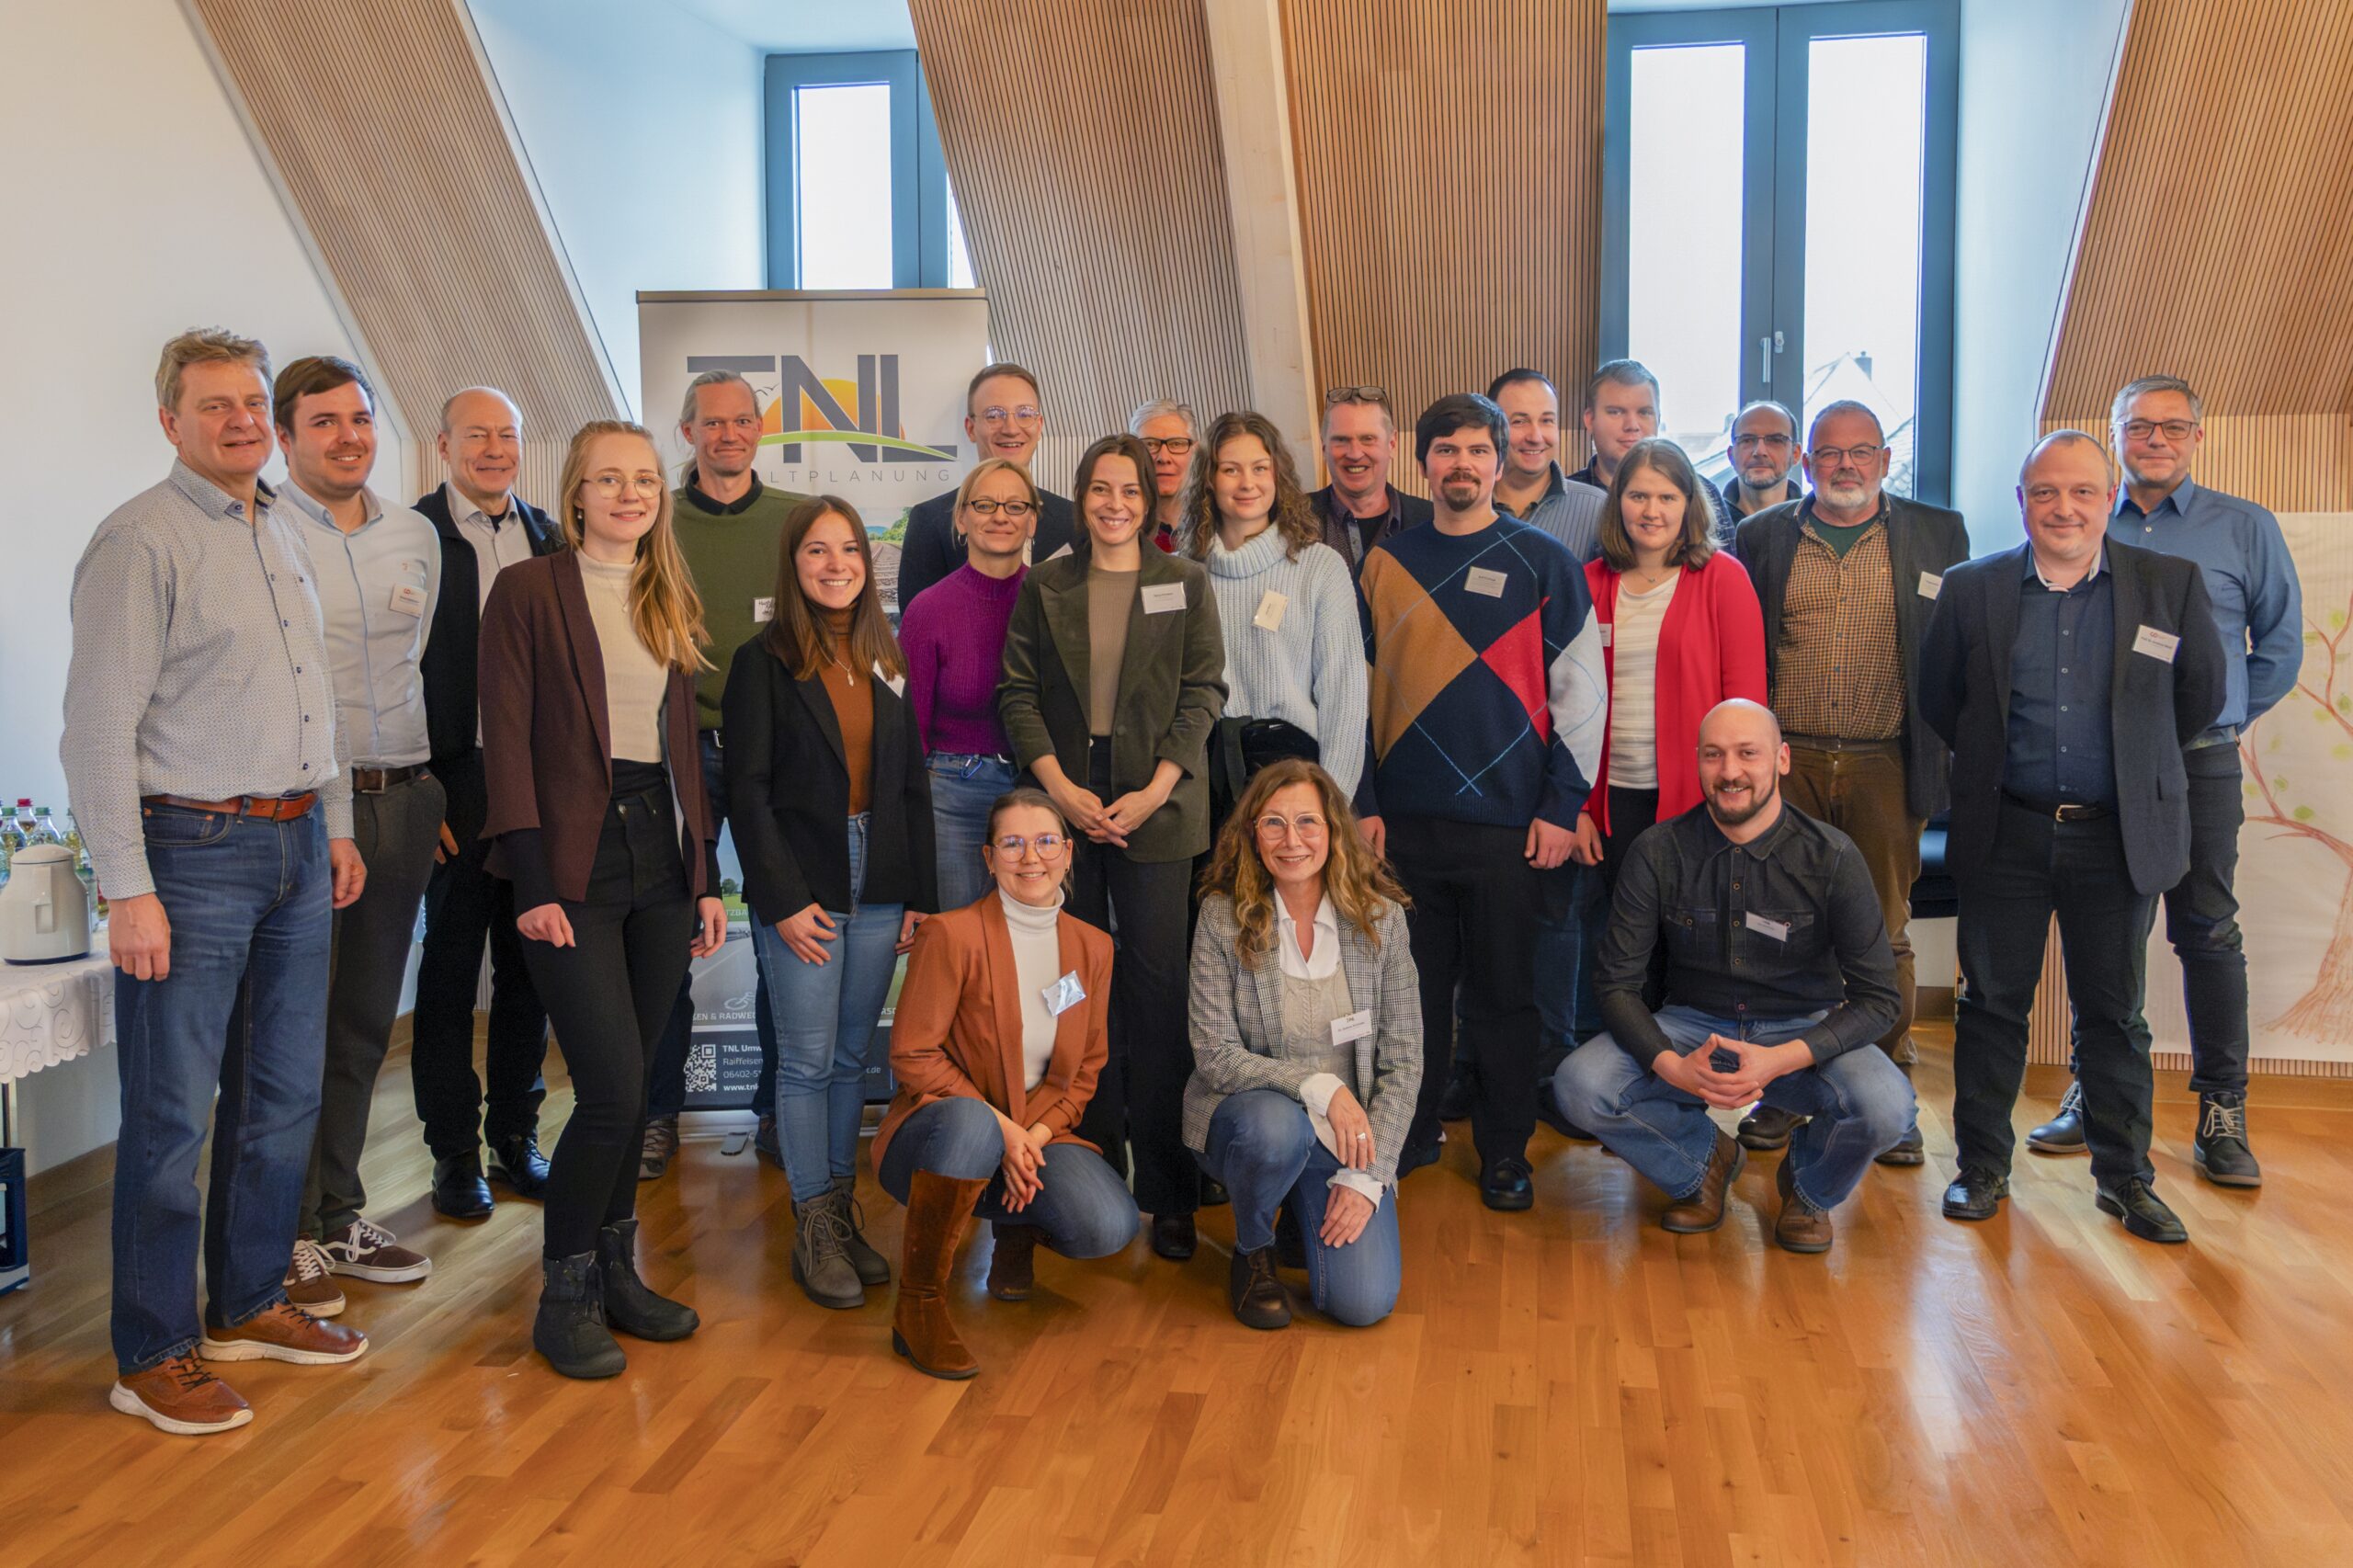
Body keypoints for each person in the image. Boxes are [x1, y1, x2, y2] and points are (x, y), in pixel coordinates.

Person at [67, 328, 369, 1435]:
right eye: (215, 405)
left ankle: (245, 1300)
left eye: (251, 402)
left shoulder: (281, 526)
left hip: (295, 843)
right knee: (170, 1116)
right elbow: (96, 728)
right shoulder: (138, 540)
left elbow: (313, 693)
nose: (241, 420)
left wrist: (335, 824)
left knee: (282, 1095)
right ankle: (151, 1351)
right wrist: (127, 888)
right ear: (171, 421)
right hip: (189, 852)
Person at [1921, 432, 2226, 1244]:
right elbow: (1941, 699)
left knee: (2114, 1015)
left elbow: (2195, 699)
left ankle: (2125, 1179)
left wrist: (2131, 760)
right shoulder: (1972, 588)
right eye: (2046, 492)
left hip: (2116, 838)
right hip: (2006, 832)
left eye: (2083, 491)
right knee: (1991, 1006)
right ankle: (1981, 1168)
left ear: (2109, 497)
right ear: (2022, 501)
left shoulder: (2169, 585)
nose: (2064, 508)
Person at [478, 419, 728, 1376]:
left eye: (646, 480)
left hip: (659, 853)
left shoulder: (667, 590)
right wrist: (531, 880)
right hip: (568, 860)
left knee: (641, 1074)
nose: (630, 495)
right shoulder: (529, 589)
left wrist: (703, 874)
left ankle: (618, 1274)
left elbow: (682, 749)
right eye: (610, 479)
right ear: (575, 492)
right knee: (614, 1091)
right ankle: (564, 1295)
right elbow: (505, 739)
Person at [2029, 375, 2302, 1186]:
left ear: (2198, 437)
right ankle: (2096, 1090)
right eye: (2139, 426)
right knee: (2107, 934)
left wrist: (2217, 719)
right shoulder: (2081, 518)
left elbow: (2279, 648)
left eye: (2173, 427)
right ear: (2115, 435)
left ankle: (2222, 1110)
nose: (2155, 440)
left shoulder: (2244, 528)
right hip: (2105, 765)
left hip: (2200, 761)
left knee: (2207, 930)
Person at [1356, 393, 1605, 1211]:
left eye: (1475, 451)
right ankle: (1414, 1132)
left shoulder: (1545, 562)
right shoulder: (1385, 564)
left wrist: (1562, 808)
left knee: (1505, 1000)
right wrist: (1362, 800)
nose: (1460, 464)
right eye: (1445, 450)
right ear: (1421, 462)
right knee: (1413, 1001)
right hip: (1403, 828)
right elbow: (1353, 689)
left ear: (1501, 463)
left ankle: (1505, 1151)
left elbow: (1583, 696)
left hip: (1511, 827)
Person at [1554, 701, 1913, 1254]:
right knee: (1580, 1086)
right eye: (1714, 755)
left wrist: (1783, 1058)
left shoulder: (1834, 857)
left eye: (1748, 753)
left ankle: (1808, 1190)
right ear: (1697, 761)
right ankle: (1704, 1162)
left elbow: (1879, 1000)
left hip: (1801, 1034)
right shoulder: (1657, 851)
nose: (1730, 771)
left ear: (1782, 759)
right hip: (1692, 1028)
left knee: (1889, 1107)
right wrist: (1671, 1065)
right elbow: (1616, 984)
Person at [1000, 433, 1228, 1261]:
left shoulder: (1185, 582)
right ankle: (1084, 1177)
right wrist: (1059, 794)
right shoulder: (1046, 584)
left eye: (1130, 490)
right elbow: (1017, 694)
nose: (1115, 504)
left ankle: (1169, 1190)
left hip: (1157, 810)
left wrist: (1158, 788)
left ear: (1150, 499)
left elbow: (1204, 693)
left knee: (1159, 998)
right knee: (1072, 999)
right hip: (1065, 811)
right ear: (1081, 496)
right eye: (1101, 489)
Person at [1732, 400, 1969, 1167]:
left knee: (1884, 935)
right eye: (1829, 454)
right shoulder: (1762, 537)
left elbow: (1957, 651)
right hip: (1789, 763)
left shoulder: (1939, 533)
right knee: (1777, 928)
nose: (1845, 466)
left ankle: (1887, 1094)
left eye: (1861, 452)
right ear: (1807, 464)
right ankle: (1782, 1091)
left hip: (1886, 764)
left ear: (1885, 460)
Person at [725, 495, 936, 1307]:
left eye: (848, 549)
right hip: (803, 882)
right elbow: (747, 793)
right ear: (793, 563)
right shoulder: (762, 662)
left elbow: (910, 782)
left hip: (880, 877)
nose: (836, 564)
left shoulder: (886, 656)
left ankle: (841, 1213)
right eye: (817, 550)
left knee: (853, 1059)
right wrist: (778, 901)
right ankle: (811, 1221)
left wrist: (918, 892)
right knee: (808, 1061)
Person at [275, 356, 444, 1316]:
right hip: (305, 810)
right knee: (293, 1028)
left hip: (403, 798)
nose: (349, 437)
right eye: (325, 421)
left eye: (361, 419)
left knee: (365, 1023)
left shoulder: (414, 535)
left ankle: (337, 1212)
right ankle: (283, 1230)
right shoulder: (264, 530)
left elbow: (417, 661)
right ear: (286, 435)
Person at [874, 788, 1138, 1379]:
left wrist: (1033, 1139)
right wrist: (1004, 1132)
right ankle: (919, 1306)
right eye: (1012, 843)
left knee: (1107, 1225)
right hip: (941, 1139)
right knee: (971, 1123)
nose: (1031, 857)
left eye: (1045, 842)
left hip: (1035, 1133)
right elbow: (913, 1054)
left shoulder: (1093, 947)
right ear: (989, 859)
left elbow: (1086, 1070)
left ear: (1068, 853)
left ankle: (1014, 1230)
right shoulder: (951, 934)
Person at [641, 369, 806, 1182]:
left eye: (742, 421)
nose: (729, 435)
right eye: (712, 423)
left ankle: (778, 1109)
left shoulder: (796, 520)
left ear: (759, 430)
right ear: (687, 434)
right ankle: (656, 1115)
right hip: (681, 753)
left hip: (775, 754)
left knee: (786, 931)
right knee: (665, 937)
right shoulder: (655, 519)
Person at [1186, 760, 1421, 1327]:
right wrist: (1317, 1085)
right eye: (1274, 823)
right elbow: (1214, 1054)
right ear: (1252, 835)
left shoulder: (1382, 921)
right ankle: (1253, 1248)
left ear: (1334, 830)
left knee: (1363, 1303)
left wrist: (1367, 1178)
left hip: (1345, 1137)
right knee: (1277, 1128)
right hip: (1250, 1121)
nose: (1292, 840)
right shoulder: (1222, 918)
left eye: (1308, 822)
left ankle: (1298, 1208)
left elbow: (1404, 1061)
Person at [411, 386, 561, 1221]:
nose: (495, 449)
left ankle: (514, 1136)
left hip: (538, 781)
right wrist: (421, 788)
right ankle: (453, 1153)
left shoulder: (551, 537)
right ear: (444, 446)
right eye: (477, 435)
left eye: (507, 434)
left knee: (529, 969)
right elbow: (391, 673)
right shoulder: (410, 537)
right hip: (453, 783)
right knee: (447, 974)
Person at [1570, 438, 1767, 892]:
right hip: (1607, 805)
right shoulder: (1588, 583)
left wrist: (1738, 798)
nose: (1651, 511)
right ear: (1618, 502)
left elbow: (1747, 707)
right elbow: (1567, 705)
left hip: (1701, 802)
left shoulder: (1723, 578)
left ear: (1688, 504)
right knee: (1619, 929)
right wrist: (1574, 807)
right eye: (1638, 496)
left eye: (1667, 497)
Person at [1185, 409, 1368, 802]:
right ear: (1209, 479)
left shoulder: (1319, 567)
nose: (1247, 483)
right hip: (1205, 774)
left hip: (1297, 772)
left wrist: (1332, 801)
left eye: (1260, 468)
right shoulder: (1184, 574)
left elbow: (1344, 694)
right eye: (1230, 470)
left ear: (1277, 475)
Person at [902, 459, 1039, 912]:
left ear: (1033, 521)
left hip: (1038, 790)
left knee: (1029, 933)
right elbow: (912, 730)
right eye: (984, 505)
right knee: (961, 934)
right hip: (953, 794)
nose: (1000, 516)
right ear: (961, 518)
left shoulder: (1053, 602)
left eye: (1015, 506)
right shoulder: (928, 609)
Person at [894, 362, 1077, 610]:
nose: (1011, 429)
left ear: (1039, 426)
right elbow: (917, 621)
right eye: (994, 415)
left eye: (1024, 413)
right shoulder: (929, 521)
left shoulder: (1073, 520)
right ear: (971, 428)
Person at [1570, 360, 1732, 545]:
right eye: (1616, 412)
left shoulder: (1703, 494)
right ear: (1590, 420)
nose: (1632, 425)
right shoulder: (1563, 498)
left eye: (1644, 413)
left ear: (1658, 419)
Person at [1310, 386, 1434, 573]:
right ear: (1324, 447)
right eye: (1341, 440)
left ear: (1392, 443)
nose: (1355, 454)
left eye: (1368, 439)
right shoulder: (1291, 521)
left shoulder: (1432, 521)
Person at [1488, 369, 1608, 562]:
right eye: (1519, 421)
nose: (1536, 437)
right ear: (1492, 430)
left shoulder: (1598, 509)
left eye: (1547, 421)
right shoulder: (1468, 505)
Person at [1131, 398, 1199, 552]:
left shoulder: (1222, 525)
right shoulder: (1120, 530)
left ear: (1195, 452)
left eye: (1177, 444)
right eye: (1150, 444)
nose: (1163, 458)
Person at [1723, 401, 1800, 520]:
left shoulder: (1817, 523)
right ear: (1731, 455)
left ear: (1795, 453)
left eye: (1775, 440)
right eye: (1747, 440)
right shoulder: (1704, 524)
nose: (1760, 451)